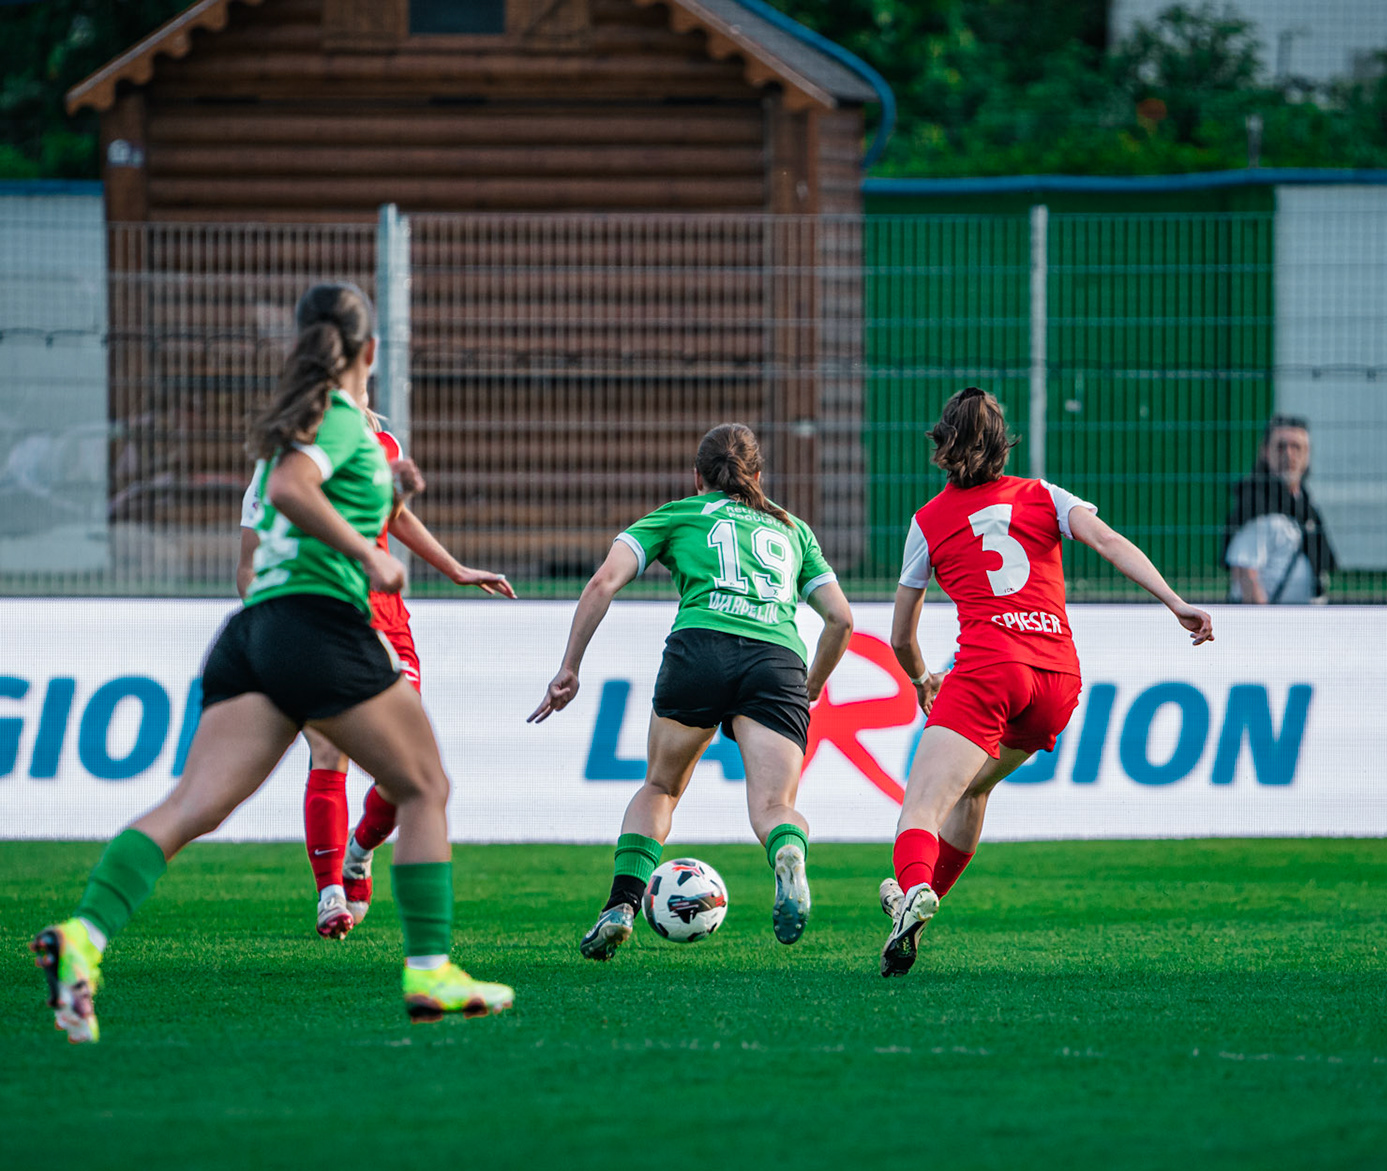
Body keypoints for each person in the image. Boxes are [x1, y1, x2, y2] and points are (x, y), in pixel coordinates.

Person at [31, 282, 512, 1042]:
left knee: (194, 806)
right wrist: (367, 555)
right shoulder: (346, 417)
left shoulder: (302, 420)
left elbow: (282, 510)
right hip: (319, 627)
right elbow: (294, 491)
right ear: (371, 352)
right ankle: (430, 973)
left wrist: (387, 509)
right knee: (425, 785)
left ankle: (82, 938)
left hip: (253, 632)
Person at [880, 388, 1215, 977]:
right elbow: (1109, 541)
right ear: (1002, 444)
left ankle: (910, 891)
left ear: (942, 444)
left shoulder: (928, 522)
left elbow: (901, 636)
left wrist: (921, 678)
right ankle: (917, 911)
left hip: (990, 670)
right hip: (1058, 678)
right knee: (973, 792)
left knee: (920, 812)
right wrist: (1176, 602)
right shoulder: (1044, 496)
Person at [529, 423, 855, 959]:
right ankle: (788, 856)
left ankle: (620, 907)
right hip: (776, 662)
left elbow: (603, 582)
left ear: (696, 475)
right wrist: (810, 685)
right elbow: (840, 619)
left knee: (660, 787)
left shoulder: (678, 514)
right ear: (758, 476)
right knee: (775, 805)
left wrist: (569, 667)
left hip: (699, 648)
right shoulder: (792, 529)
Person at [238, 410, 514, 939]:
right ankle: (330, 895)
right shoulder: (281, 462)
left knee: (406, 767)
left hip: (388, 621)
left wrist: (454, 568)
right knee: (327, 750)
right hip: (325, 620)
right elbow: (247, 564)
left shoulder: (379, 442)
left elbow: (394, 517)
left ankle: (359, 852)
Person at [1222, 414, 1335, 604]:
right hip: (1272, 623)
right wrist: (1264, 623)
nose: (1289, 455)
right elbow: (1246, 573)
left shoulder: (1305, 504)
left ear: (1307, 454)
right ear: (1266, 451)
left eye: (1297, 447)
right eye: (1281, 447)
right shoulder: (1256, 503)